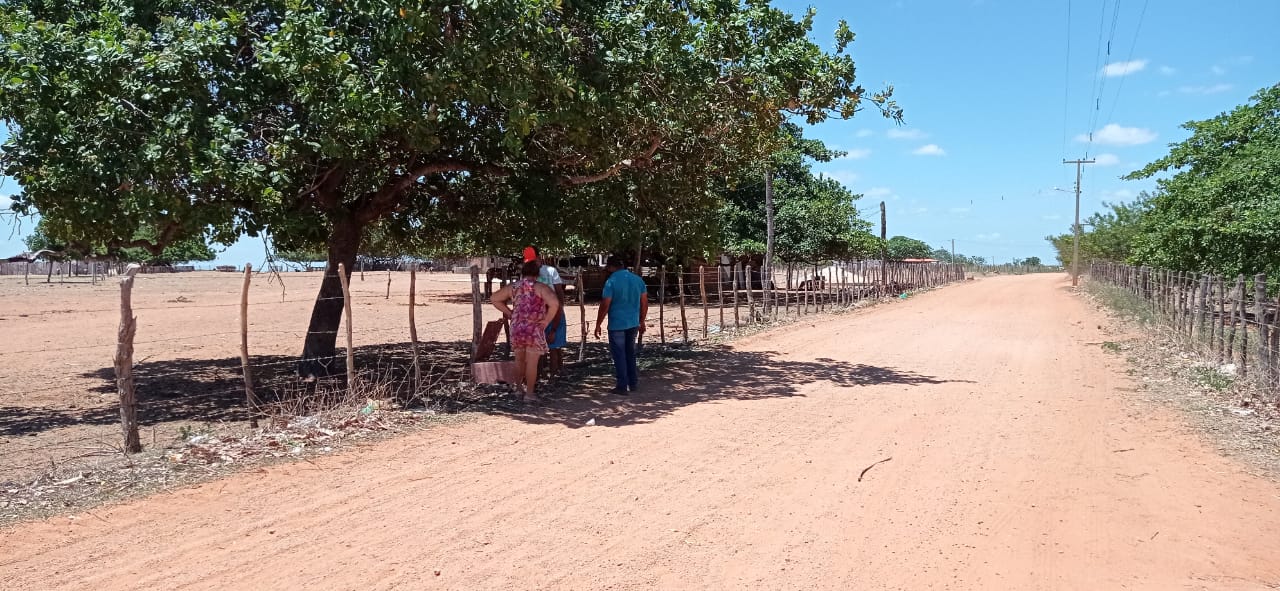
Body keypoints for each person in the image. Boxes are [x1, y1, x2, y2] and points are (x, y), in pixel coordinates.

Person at [490, 260, 560, 403]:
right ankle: (529, 393)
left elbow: (494, 298)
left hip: (517, 327)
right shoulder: (541, 287)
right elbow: (555, 303)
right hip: (534, 328)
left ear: (522, 273)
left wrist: (510, 313)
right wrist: (546, 321)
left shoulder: (513, 287)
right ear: (537, 274)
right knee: (532, 362)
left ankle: (518, 389)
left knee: (519, 360)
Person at [594, 256, 648, 395]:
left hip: (617, 323)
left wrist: (598, 323)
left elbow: (605, 304)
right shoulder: (637, 280)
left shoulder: (611, 282)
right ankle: (633, 382)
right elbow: (644, 303)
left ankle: (622, 385)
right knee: (630, 352)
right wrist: (642, 321)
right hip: (633, 322)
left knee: (619, 354)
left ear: (611, 267)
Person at [524, 246, 568, 377]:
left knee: (553, 345)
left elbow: (559, 293)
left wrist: (559, 310)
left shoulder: (550, 271)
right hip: (537, 313)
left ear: (539, 258)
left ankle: (553, 374)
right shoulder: (527, 273)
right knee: (539, 346)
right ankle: (540, 374)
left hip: (552, 310)